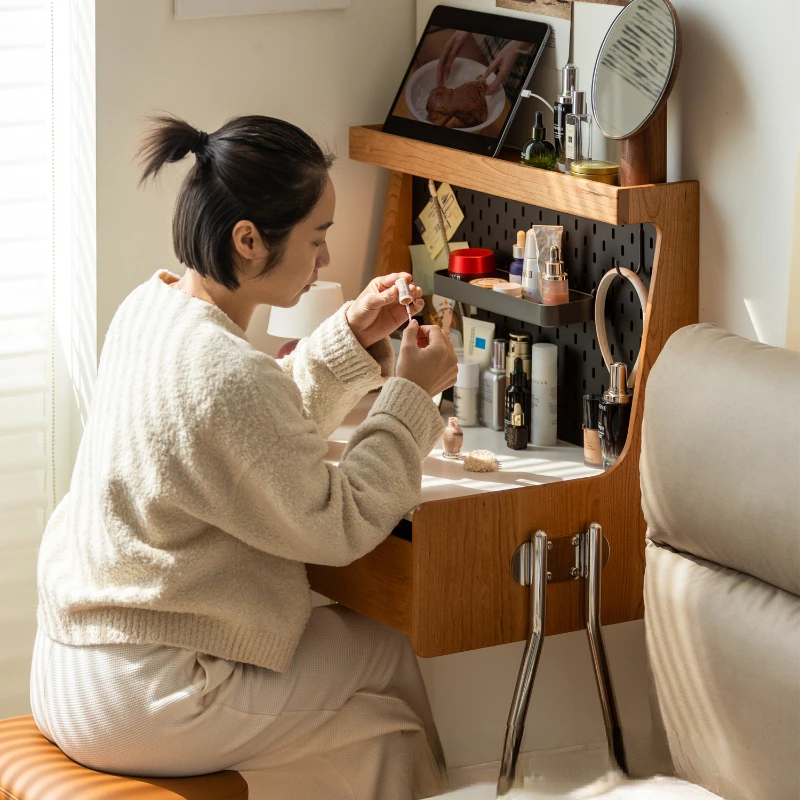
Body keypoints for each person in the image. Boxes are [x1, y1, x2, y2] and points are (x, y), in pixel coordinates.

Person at [29, 114, 458, 800]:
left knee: (363, 722)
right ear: (250, 240)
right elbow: (337, 522)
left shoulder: (151, 307)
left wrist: (347, 336)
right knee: (390, 689)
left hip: (68, 668)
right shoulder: (225, 372)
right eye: (317, 238)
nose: (323, 260)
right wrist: (410, 395)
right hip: (147, 694)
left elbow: (244, 440)